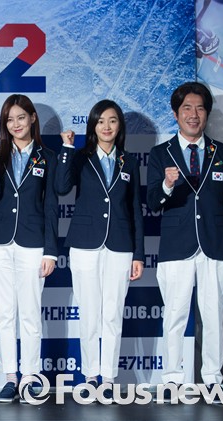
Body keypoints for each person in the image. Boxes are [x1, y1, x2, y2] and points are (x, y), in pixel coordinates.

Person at [146, 82, 223, 403]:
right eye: (187, 108)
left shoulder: (222, 152)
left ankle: (212, 380)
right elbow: (152, 202)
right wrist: (167, 185)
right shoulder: (160, 154)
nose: (194, 115)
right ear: (176, 113)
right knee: (174, 316)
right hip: (176, 247)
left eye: (200, 108)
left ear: (207, 114)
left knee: (213, 315)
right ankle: (172, 379)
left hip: (214, 245)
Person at [55, 100, 144, 403]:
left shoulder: (129, 162)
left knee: (113, 314)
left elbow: (135, 210)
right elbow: (61, 187)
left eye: (113, 121)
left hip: (120, 245)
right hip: (85, 244)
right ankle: (91, 375)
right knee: (90, 314)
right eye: (101, 121)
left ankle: (108, 377)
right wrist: (67, 148)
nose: (107, 127)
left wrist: (139, 254)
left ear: (120, 126)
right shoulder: (80, 157)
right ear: (92, 125)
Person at [0, 94, 58, 403]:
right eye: (10, 119)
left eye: (21, 118)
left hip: (33, 243)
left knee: (29, 314)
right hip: (0, 244)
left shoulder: (47, 156)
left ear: (32, 118)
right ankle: (10, 377)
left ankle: (29, 376)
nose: (16, 124)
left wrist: (50, 251)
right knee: (4, 314)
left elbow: (51, 205)